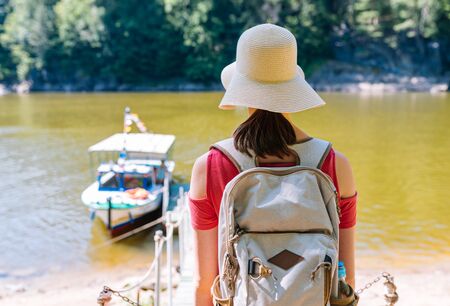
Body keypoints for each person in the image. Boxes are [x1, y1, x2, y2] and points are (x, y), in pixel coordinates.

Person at [189, 23, 357, 306]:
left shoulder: (209, 166)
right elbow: (346, 277)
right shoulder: (336, 164)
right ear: (293, 88)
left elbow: (206, 283)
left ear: (239, 88)